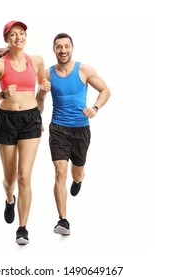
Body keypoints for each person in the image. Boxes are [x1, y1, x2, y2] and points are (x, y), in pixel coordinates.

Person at [0, 20, 51, 245]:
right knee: (10, 179)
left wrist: (44, 90)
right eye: (13, 34)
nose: (18, 37)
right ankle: (9, 198)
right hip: (7, 121)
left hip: (30, 119)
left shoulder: (37, 61)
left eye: (21, 33)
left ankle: (22, 228)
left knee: (24, 176)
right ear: (7, 39)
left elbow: (41, 91)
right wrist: (2, 94)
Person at [36, 33, 111, 235]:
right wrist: (38, 118)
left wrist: (95, 108)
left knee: (76, 172)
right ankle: (63, 220)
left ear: (72, 48)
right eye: (59, 47)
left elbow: (105, 90)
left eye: (66, 46)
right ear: (54, 49)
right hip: (58, 128)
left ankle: (78, 180)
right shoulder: (47, 75)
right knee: (60, 172)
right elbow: (40, 100)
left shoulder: (84, 70)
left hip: (81, 128)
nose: (63, 50)